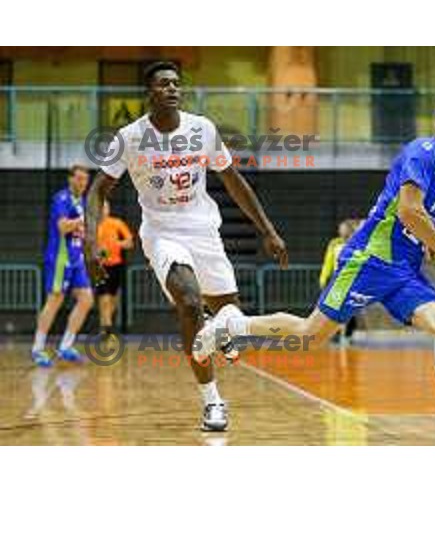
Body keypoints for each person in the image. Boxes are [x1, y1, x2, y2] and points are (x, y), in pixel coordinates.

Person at [196, 96, 435, 431]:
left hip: (405, 271)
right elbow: (409, 211)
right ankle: (229, 326)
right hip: (369, 261)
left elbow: (424, 226)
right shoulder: (423, 152)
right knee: (310, 335)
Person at [84, 61, 287, 432]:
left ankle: (221, 327)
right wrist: (89, 240)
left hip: (204, 230)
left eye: (177, 83)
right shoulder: (130, 137)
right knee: (190, 303)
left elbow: (233, 179)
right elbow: (98, 189)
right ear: (150, 93)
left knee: (233, 322)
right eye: (164, 84)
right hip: (162, 232)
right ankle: (212, 401)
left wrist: (268, 230)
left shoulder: (203, 129)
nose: (173, 89)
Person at [32, 165, 94, 367]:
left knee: (86, 300)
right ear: (70, 179)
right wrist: (83, 220)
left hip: (77, 258)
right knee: (55, 300)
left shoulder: (83, 202)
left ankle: (66, 345)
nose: (82, 183)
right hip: (60, 258)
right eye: (78, 179)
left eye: (85, 180)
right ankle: (38, 348)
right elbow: (62, 226)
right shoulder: (62, 198)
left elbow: (80, 230)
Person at [95, 200, 134, 334]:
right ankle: (106, 326)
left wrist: (116, 244)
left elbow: (129, 242)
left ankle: (105, 322)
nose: (102, 210)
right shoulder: (93, 226)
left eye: (105, 207)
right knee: (104, 296)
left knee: (113, 298)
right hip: (100, 266)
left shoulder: (116, 223)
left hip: (116, 264)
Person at [319, 219, 357, 344]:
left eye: (345, 228)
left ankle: (348, 334)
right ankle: (335, 334)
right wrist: (323, 278)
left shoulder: (356, 243)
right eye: (341, 229)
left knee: (349, 309)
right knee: (334, 308)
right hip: (337, 280)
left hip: (352, 280)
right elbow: (328, 262)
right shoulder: (334, 243)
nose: (342, 231)